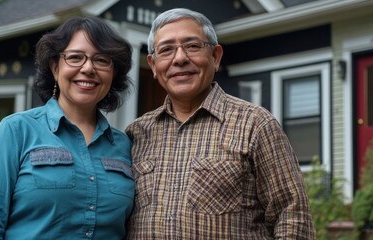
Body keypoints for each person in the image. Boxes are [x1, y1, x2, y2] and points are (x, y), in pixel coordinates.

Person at [125, 8, 315, 239]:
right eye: (166, 50)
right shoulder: (137, 133)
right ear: (153, 65)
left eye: (193, 46)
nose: (180, 58)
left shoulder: (255, 124)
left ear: (215, 57)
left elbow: (292, 215)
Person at [0, 16, 134, 239]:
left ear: (113, 74)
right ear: (55, 68)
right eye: (75, 57)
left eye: (102, 60)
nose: (88, 68)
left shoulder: (124, 145)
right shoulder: (16, 131)